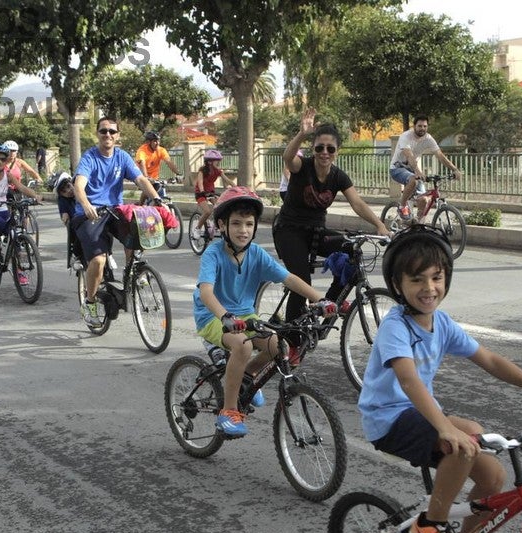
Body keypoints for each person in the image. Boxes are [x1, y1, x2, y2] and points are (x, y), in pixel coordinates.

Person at [358, 226, 522, 533]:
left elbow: (489, 359)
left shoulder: (441, 323)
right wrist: (444, 427)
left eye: (436, 277)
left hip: (422, 413)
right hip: (388, 419)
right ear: (397, 285)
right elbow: (408, 380)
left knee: (493, 476)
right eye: (417, 280)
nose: (429, 288)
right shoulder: (396, 327)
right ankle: (429, 527)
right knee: (465, 440)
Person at [194, 187, 336, 437]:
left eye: (249, 224)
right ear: (222, 225)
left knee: (280, 347)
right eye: (236, 223)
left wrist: (321, 300)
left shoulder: (256, 254)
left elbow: (289, 278)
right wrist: (225, 317)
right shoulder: (213, 254)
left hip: (245, 314)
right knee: (243, 346)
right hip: (213, 315)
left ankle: (246, 375)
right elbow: (206, 292)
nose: (243, 230)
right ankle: (228, 411)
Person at [274, 108, 389, 325]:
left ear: (337, 151)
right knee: (301, 283)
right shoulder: (302, 167)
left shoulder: (338, 176)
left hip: (316, 232)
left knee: (353, 254)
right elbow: (288, 158)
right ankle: (292, 338)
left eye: (330, 148)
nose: (324, 152)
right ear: (313, 149)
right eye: (319, 147)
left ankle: (328, 305)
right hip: (289, 230)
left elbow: (357, 203)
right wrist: (302, 134)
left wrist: (379, 225)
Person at [72, 116, 159, 326]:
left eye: (112, 131)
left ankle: (133, 273)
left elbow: (140, 179)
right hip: (91, 213)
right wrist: (86, 204)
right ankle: (90, 303)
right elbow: (79, 185)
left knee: (137, 234)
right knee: (98, 260)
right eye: (104, 131)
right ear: (98, 134)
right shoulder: (90, 157)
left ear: (118, 135)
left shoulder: (122, 157)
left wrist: (157, 199)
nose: (108, 135)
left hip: (114, 210)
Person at [0, 142, 42, 284]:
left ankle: (19, 271)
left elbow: (21, 187)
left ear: (6, 160)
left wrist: (35, 196)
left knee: (15, 237)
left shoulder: (8, 175)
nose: (0, 162)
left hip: (3, 211)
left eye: (3, 159)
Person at [390, 115, 461, 220]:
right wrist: (417, 171)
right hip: (397, 168)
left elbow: (440, 155)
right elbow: (409, 155)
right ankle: (402, 206)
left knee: (423, 199)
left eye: (425, 126)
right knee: (414, 180)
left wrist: (455, 169)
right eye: (420, 126)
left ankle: (417, 223)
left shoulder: (428, 138)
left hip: (412, 170)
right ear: (414, 126)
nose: (422, 128)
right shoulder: (406, 137)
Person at [192, 148, 235, 235]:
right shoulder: (202, 171)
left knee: (219, 207)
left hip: (211, 192)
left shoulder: (218, 171)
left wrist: (236, 187)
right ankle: (197, 229)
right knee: (207, 212)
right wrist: (202, 191)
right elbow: (200, 183)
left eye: (219, 161)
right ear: (209, 162)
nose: (219, 162)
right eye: (217, 161)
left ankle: (216, 225)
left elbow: (227, 180)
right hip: (200, 193)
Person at [46, 170, 79, 267]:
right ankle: (76, 255)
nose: (68, 191)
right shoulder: (63, 200)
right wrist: (65, 218)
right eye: (64, 191)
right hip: (77, 225)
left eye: (68, 186)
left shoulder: (82, 189)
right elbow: (64, 215)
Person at [134, 131, 182, 197]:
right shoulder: (142, 151)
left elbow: (169, 162)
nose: (157, 143)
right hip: (140, 176)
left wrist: (178, 174)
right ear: (148, 142)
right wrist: (146, 177)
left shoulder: (161, 150)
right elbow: (142, 164)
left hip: (154, 178)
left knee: (157, 190)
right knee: (148, 187)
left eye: (158, 141)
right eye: (155, 141)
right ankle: (141, 203)